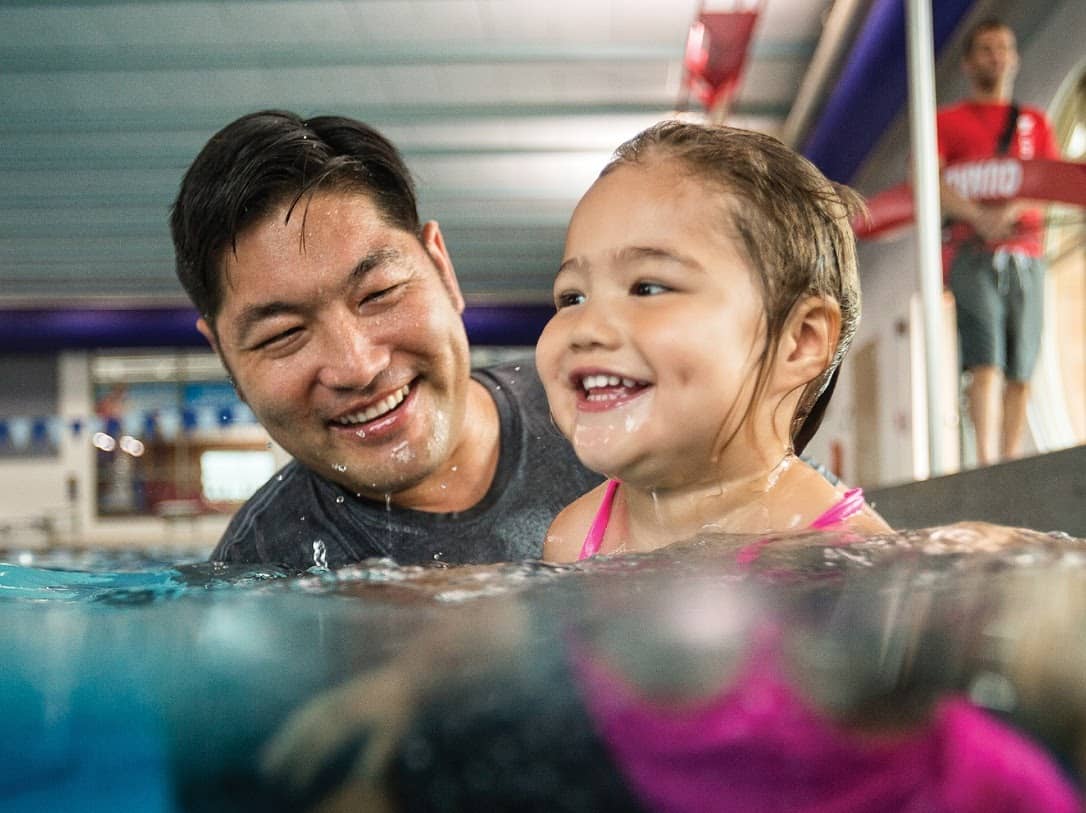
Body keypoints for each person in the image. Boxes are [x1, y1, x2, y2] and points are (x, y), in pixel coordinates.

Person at [169, 110, 601, 568]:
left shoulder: (599, 400)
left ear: (441, 268)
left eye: (379, 294)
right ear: (224, 356)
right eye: (284, 334)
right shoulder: (259, 577)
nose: (357, 366)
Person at [536, 121, 890, 562]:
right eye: (572, 296)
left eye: (647, 288)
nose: (585, 327)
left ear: (799, 341)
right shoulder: (573, 538)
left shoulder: (843, 554)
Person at [937, 18, 1060, 466]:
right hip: (972, 254)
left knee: (1022, 365)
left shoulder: (1035, 123)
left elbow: (1051, 181)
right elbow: (927, 179)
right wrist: (976, 216)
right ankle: (988, 462)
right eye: (986, 49)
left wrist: (1012, 210)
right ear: (970, 63)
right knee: (985, 357)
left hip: (1026, 253)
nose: (996, 56)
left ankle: (1010, 459)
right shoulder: (947, 123)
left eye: (1003, 47)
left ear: (1015, 57)